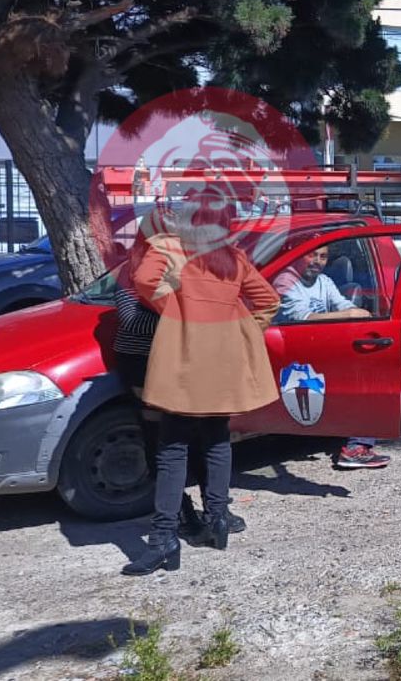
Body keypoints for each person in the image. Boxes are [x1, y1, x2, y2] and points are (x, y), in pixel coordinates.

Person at [122, 198, 280, 576]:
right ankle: (218, 519)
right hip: (222, 364)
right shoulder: (233, 257)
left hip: (185, 360)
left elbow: (142, 280)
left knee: (172, 448)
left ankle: (163, 541)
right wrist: (237, 332)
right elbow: (268, 301)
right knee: (216, 439)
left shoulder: (171, 247)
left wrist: (172, 310)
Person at [113, 234, 246, 539]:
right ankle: (181, 511)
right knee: (161, 440)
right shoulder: (129, 272)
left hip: (186, 362)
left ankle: (216, 510)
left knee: (206, 438)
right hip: (142, 365)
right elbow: (131, 320)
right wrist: (187, 317)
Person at [272, 246, 391, 470]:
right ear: (299, 254)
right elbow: (302, 317)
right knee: (360, 379)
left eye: (323, 256)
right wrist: (347, 315)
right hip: (290, 350)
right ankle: (357, 446)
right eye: (312, 255)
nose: (317, 261)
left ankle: (358, 444)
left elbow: (342, 304)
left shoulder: (324, 281)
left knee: (370, 372)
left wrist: (357, 312)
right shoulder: (285, 280)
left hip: (318, 347)